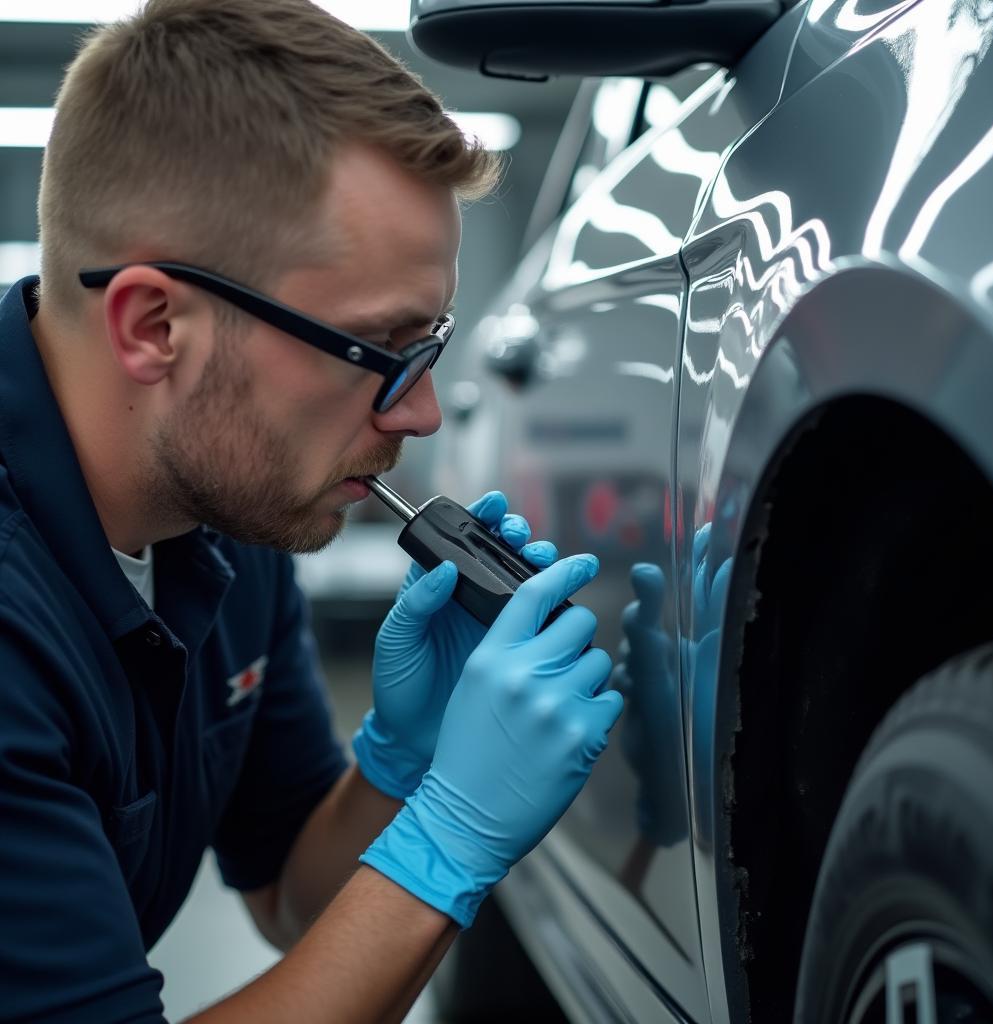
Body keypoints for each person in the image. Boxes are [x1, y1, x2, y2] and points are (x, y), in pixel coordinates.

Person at [0, 2, 623, 1021]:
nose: (420, 411)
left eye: (430, 349)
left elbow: (296, 896)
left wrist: (401, 762)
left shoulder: (225, 511)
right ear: (155, 326)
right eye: (380, 351)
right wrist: (449, 842)